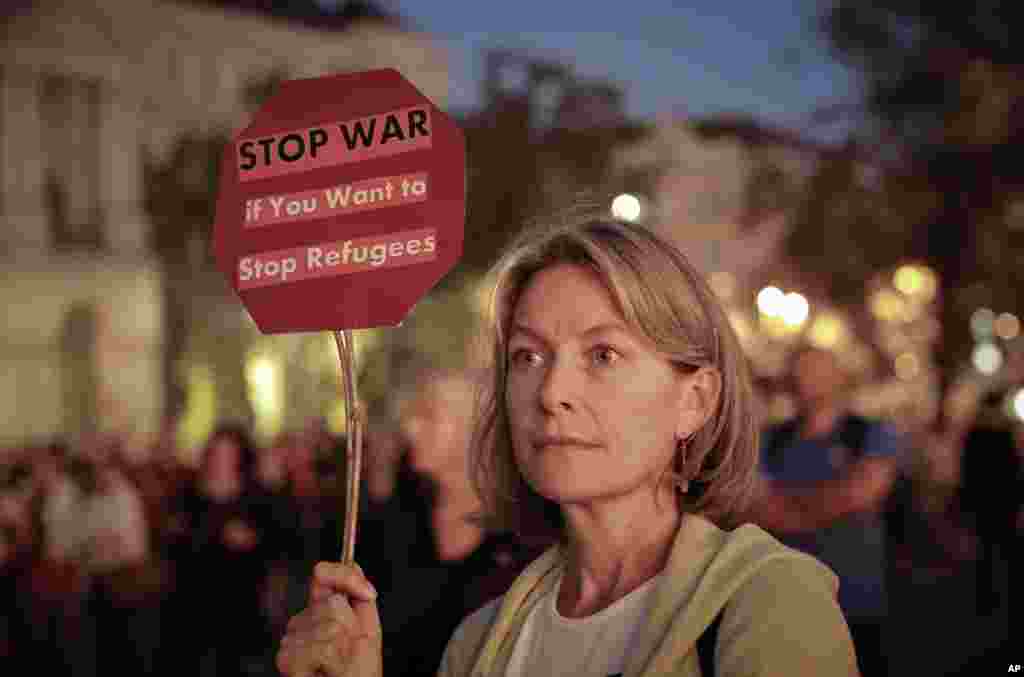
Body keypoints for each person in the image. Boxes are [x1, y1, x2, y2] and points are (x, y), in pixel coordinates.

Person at [276, 214, 859, 676]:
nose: (551, 392)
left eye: (603, 355)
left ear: (696, 401)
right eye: (527, 357)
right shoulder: (476, 644)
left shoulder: (767, 605)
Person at [749, 346, 901, 677]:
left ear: (839, 377)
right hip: (783, 596)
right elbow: (755, 505)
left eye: (817, 370)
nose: (808, 380)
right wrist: (831, 499)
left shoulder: (870, 433)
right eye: (800, 371)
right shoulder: (770, 439)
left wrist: (788, 508)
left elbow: (862, 493)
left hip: (855, 597)